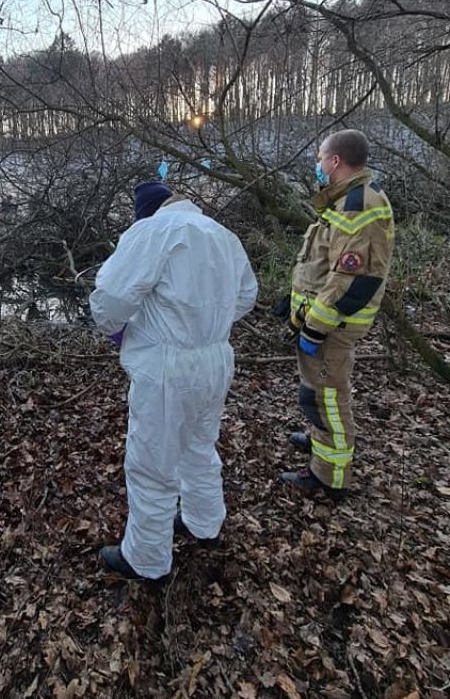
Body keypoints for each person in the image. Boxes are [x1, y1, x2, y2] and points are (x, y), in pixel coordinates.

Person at [90, 181, 258, 580]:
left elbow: (110, 298)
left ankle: (146, 560)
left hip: (168, 366)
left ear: (145, 211)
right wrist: (206, 325)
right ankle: (205, 523)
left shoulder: (152, 232)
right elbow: (246, 295)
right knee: (199, 445)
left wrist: (120, 328)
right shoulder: (222, 235)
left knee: (152, 463)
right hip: (216, 359)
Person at [280, 129, 394, 500]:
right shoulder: (347, 199)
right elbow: (323, 265)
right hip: (324, 320)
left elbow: (350, 280)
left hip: (333, 326)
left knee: (326, 397)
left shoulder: (358, 206)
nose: (317, 164)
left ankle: (330, 477)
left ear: (335, 161)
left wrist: (314, 328)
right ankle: (321, 443)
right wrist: (294, 302)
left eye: (319, 157)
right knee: (316, 393)